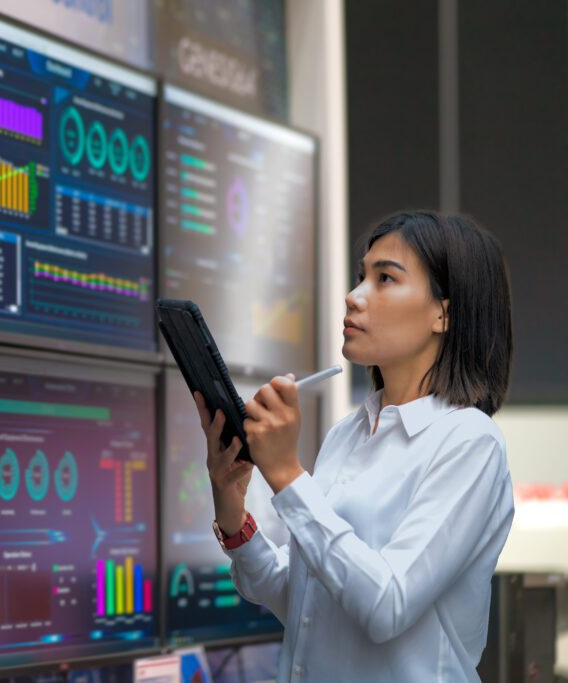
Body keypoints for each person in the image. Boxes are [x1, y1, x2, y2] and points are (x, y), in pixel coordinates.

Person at [196, 211, 515, 682]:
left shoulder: (470, 441)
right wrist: (232, 510)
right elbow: (303, 602)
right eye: (361, 276)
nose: (353, 296)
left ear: (443, 314)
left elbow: (387, 606)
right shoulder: (348, 433)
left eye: (385, 278)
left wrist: (286, 475)